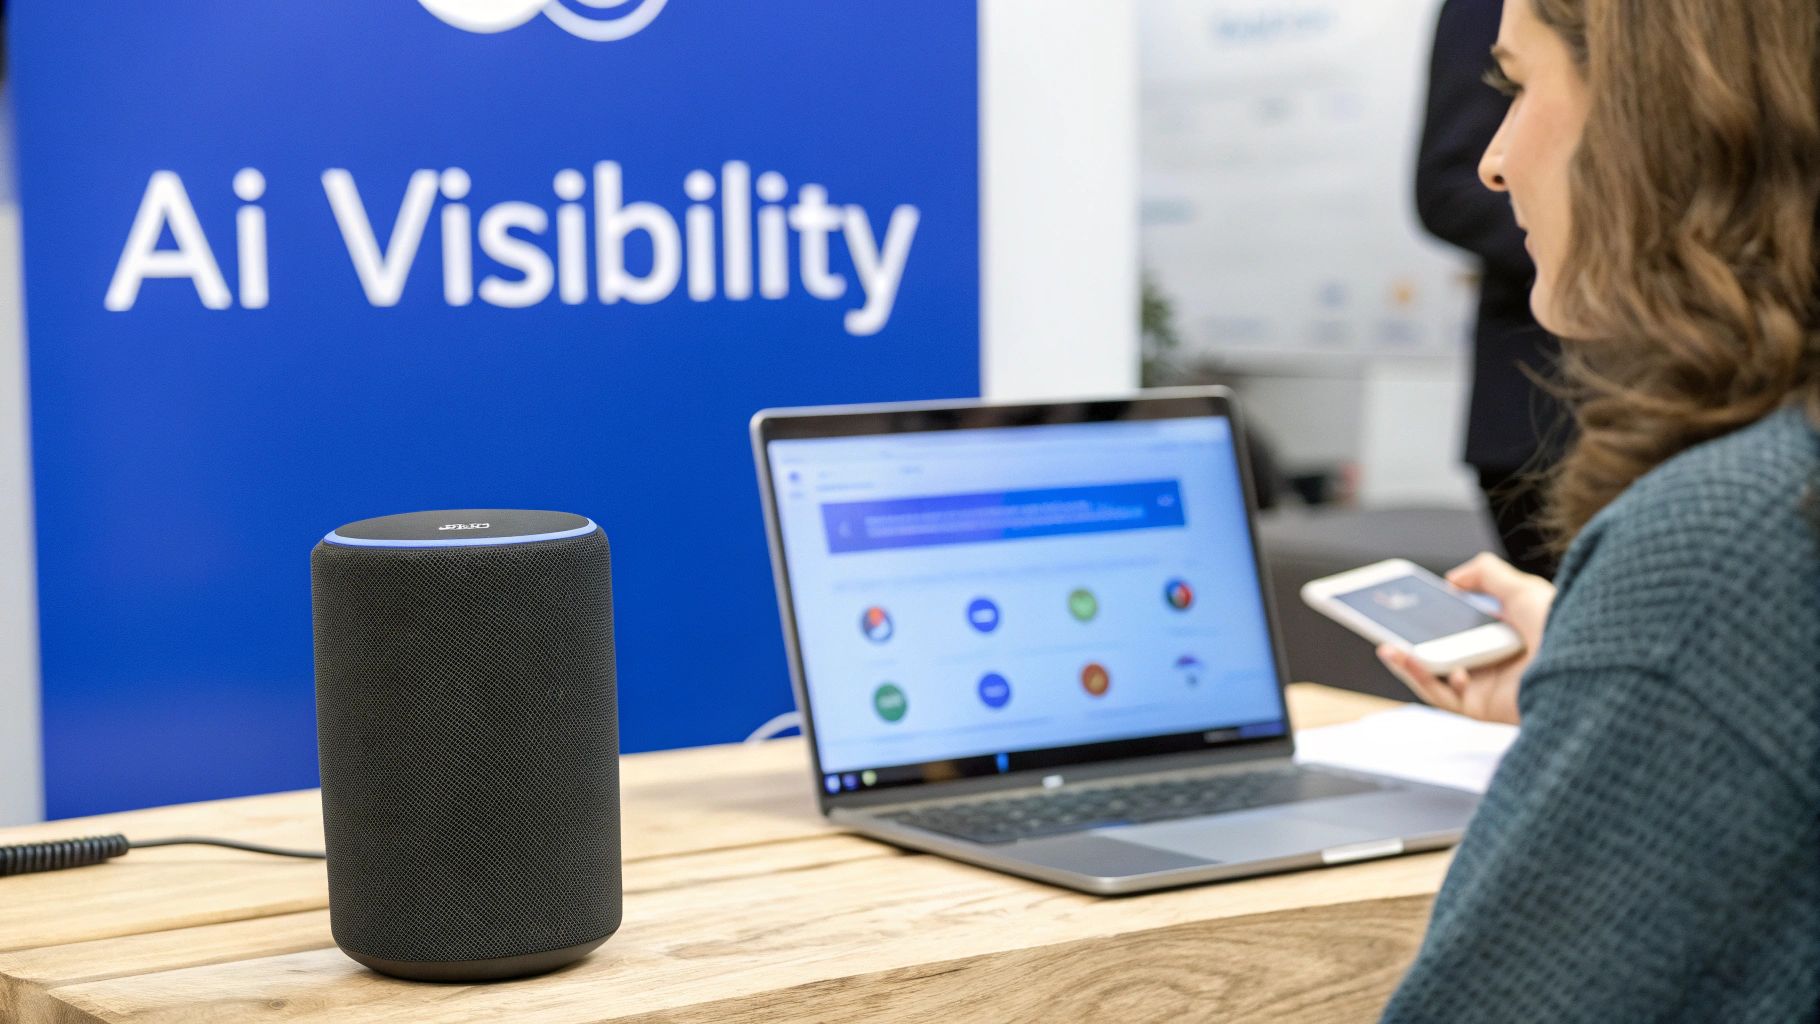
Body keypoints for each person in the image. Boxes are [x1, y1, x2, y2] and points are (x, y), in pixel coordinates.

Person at [1374, 0, 1820, 1019]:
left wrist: (1648, 652)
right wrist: (1602, 657)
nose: (1491, 163)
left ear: (1651, 117)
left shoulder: (1725, 540)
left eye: (1517, 85)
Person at [1415, 0, 1565, 579]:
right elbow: (1450, 183)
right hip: (1541, 408)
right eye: (1514, 85)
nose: (1496, 162)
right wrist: (1613, 250)